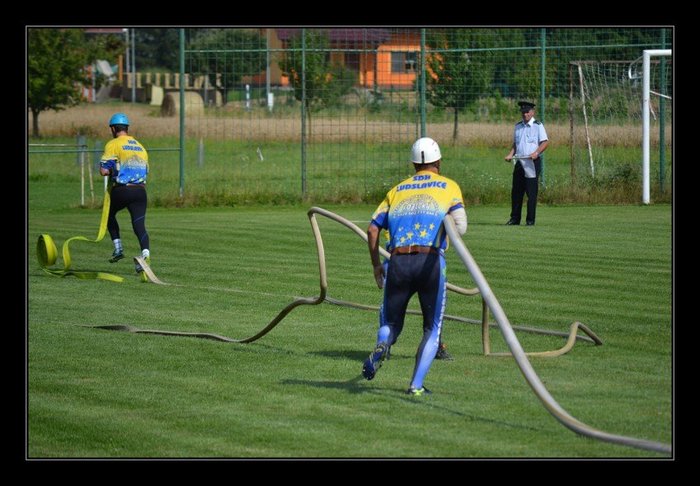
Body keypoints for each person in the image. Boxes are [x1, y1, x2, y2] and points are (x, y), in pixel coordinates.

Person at [362, 137, 468, 396]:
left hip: (397, 261)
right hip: (430, 261)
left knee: (391, 322)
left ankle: (383, 344)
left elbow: (373, 229)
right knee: (432, 327)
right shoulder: (449, 186)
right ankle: (416, 385)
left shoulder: (397, 190)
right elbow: (461, 227)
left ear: (413, 164)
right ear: (438, 161)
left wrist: (376, 266)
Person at [99, 113, 151, 281]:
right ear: (127, 128)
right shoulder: (140, 146)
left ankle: (118, 248)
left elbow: (104, 171)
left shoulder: (113, 144)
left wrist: (111, 170)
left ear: (113, 128)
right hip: (140, 192)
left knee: (109, 215)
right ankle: (146, 254)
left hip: (123, 190)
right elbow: (146, 170)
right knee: (139, 225)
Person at [504, 101, 549, 226]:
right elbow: (516, 144)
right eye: (523, 112)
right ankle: (515, 219)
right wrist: (510, 154)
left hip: (532, 163)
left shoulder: (538, 126)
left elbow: (545, 142)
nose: (525, 114)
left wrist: (536, 152)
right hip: (520, 161)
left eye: (527, 112)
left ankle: (530, 220)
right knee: (516, 192)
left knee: (531, 192)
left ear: (532, 112)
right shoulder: (518, 126)